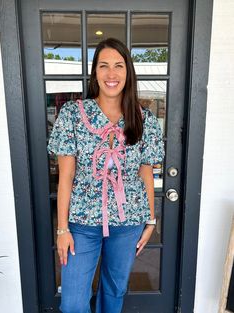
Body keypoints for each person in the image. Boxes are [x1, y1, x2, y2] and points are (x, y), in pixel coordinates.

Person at [47, 37, 165, 313]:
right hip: (82, 223)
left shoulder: (143, 119)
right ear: (95, 73)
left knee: (114, 292)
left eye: (119, 66)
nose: (111, 74)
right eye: (104, 66)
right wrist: (62, 229)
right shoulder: (73, 115)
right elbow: (65, 177)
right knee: (73, 303)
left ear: (128, 72)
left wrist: (150, 218)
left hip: (128, 222)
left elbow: (145, 172)